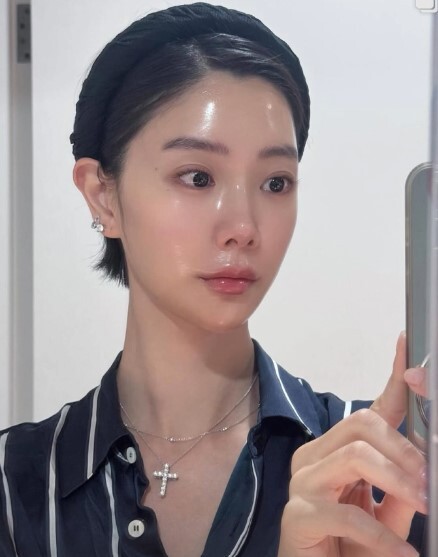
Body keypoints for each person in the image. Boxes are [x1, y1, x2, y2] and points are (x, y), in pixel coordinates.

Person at [0, 3, 428, 556]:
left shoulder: (383, 474)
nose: (244, 228)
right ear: (102, 195)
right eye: (198, 177)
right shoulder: (15, 484)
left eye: (275, 183)